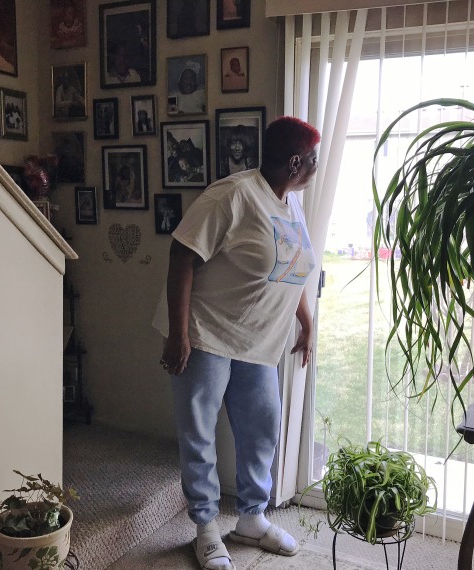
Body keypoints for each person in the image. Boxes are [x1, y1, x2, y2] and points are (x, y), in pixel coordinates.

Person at [153, 116, 320, 570]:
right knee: (199, 432)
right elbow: (182, 255)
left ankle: (251, 519)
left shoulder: (290, 203)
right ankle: (205, 529)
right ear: (293, 162)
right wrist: (179, 333)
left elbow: (293, 269)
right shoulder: (233, 195)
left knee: (262, 428)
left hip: (258, 342)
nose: (316, 166)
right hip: (206, 334)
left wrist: (305, 323)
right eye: (312, 160)